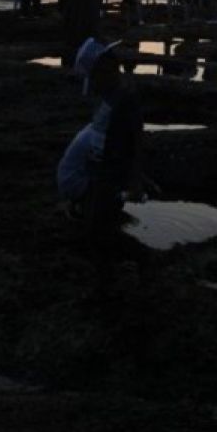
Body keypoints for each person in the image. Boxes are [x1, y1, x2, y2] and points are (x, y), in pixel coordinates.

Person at [56, 38, 147, 292]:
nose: (93, 86)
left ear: (105, 70)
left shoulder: (124, 100)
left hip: (110, 173)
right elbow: (102, 137)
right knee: (98, 230)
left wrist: (135, 178)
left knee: (99, 232)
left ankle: (114, 278)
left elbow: (136, 138)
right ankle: (107, 279)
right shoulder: (110, 98)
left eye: (94, 79)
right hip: (102, 171)